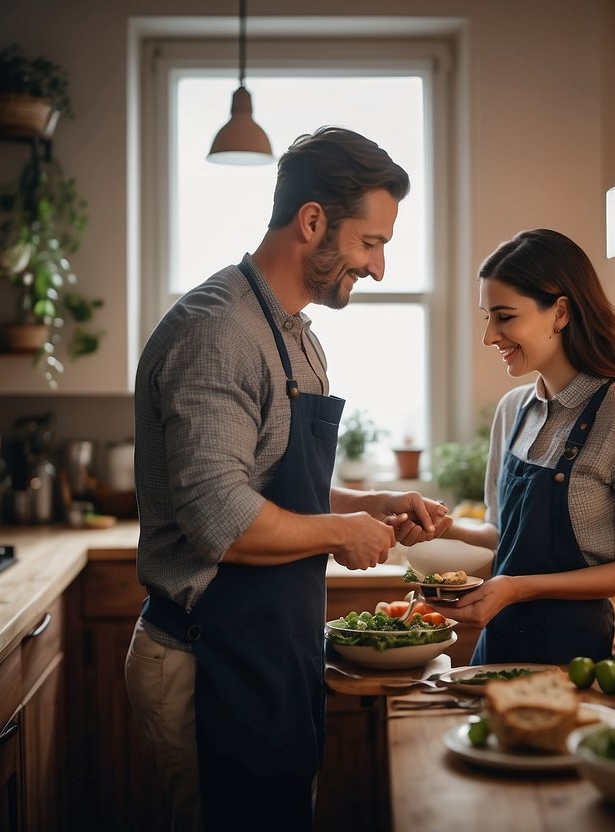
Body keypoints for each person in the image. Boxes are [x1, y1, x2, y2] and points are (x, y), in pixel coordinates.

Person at [125, 126, 451, 832]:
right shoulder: (216, 333)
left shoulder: (297, 336)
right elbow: (223, 521)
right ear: (312, 222)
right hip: (205, 658)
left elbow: (272, 486)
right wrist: (340, 532)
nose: (379, 267)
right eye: (372, 242)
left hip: (271, 648)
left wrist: (375, 503)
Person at [444, 228, 615, 665]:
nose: (490, 336)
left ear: (559, 313)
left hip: (574, 660)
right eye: (487, 318)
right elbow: (501, 535)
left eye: (505, 317)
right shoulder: (513, 410)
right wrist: (441, 525)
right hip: (495, 652)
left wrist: (521, 587)